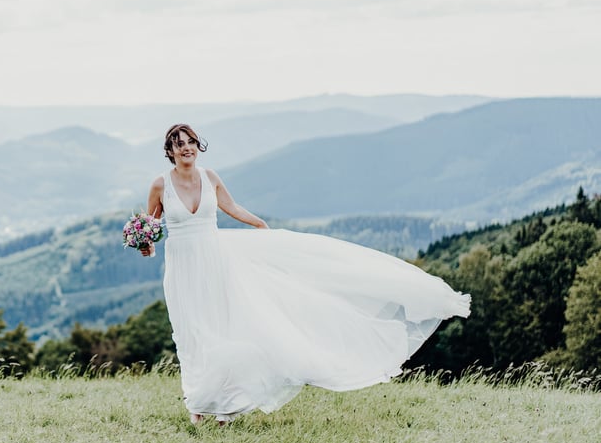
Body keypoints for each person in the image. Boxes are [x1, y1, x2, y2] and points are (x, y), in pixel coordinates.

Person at [142, 124, 470, 425]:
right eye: (179, 144)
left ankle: (224, 405)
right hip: (183, 269)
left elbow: (233, 207)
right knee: (190, 333)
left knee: (221, 329)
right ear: (170, 151)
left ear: (198, 146)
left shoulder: (210, 177)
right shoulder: (160, 185)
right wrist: (146, 246)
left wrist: (260, 225)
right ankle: (197, 403)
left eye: (191, 142)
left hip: (216, 262)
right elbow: (150, 227)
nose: (187, 148)